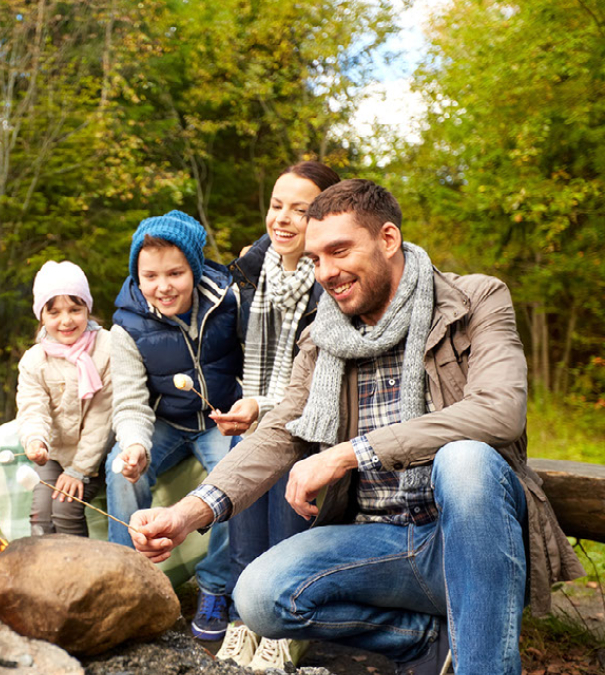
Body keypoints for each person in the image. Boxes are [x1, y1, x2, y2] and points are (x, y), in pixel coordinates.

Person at [129, 180, 584, 674]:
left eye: (339, 251)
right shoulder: (322, 335)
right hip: (376, 540)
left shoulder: (475, 299)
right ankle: (426, 641)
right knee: (258, 596)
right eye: (315, 258)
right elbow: (281, 431)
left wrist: (350, 452)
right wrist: (186, 515)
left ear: (388, 239)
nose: (326, 272)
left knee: (465, 458)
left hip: (469, 536)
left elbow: (498, 411)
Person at [210, 160, 341, 669]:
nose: (282, 219)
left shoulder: (330, 281)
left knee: (285, 494)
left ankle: (284, 624)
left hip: (312, 420)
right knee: (243, 498)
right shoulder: (251, 272)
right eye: (276, 205)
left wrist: (261, 406)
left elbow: (317, 381)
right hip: (255, 411)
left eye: (301, 211)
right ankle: (245, 620)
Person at [105, 210, 243, 640]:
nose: (163, 286)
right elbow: (129, 401)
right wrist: (134, 446)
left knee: (234, 475)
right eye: (150, 276)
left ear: (194, 269)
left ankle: (216, 587)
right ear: (137, 276)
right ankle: (129, 583)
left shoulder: (231, 302)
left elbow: (254, 365)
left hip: (220, 420)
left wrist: (245, 408)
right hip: (164, 422)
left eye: (175, 273)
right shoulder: (126, 325)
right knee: (123, 472)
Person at [16, 261, 114, 537]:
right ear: (42, 317)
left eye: (75, 309)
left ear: (87, 310)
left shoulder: (106, 348)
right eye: (55, 312)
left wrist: (79, 470)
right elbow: (33, 408)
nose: (66, 321)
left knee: (65, 507)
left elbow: (101, 417)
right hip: (56, 453)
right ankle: (43, 574)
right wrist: (36, 441)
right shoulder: (35, 360)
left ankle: (77, 575)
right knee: (41, 515)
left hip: (96, 456)